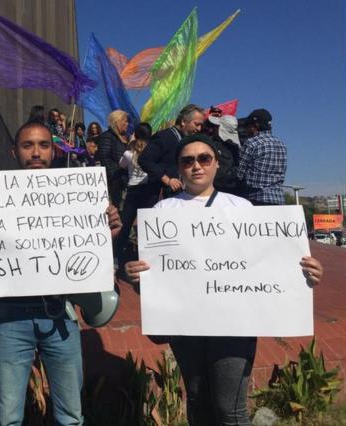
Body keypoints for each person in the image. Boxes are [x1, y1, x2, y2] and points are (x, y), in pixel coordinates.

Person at [124, 133, 324, 426]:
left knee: (229, 408)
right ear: (178, 167)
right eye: (187, 160)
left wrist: (306, 272)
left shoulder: (241, 209)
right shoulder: (162, 212)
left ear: (216, 164)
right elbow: (154, 276)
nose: (196, 166)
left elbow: (269, 263)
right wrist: (137, 276)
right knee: (197, 399)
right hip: (186, 324)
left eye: (204, 158)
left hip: (234, 324)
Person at [0, 121, 122, 426]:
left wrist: (109, 233)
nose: (36, 152)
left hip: (60, 314)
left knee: (71, 417)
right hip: (10, 316)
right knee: (8, 417)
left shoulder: (77, 196)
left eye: (43, 145)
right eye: (27, 145)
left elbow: (89, 253)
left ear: (53, 150)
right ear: (15, 151)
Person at [114, 122, 159, 274]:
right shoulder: (153, 152)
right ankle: (147, 259)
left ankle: (118, 259)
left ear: (136, 134)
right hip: (149, 190)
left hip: (133, 190)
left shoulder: (128, 153)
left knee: (125, 224)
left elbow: (121, 165)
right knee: (146, 226)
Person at [138, 104, 204, 202]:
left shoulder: (184, 140)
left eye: (201, 125)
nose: (199, 129)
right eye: (196, 124)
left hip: (178, 195)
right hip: (159, 196)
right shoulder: (164, 137)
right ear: (183, 122)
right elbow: (144, 159)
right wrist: (167, 179)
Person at [237, 108, 287, 205]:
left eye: (248, 127)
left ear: (255, 126)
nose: (246, 130)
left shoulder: (251, 143)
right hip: (279, 200)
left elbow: (239, 173)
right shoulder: (282, 144)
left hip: (256, 198)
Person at [95, 110, 129, 207]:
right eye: (125, 121)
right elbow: (105, 159)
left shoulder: (126, 137)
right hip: (115, 182)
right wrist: (117, 178)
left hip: (126, 180)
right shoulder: (107, 137)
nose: (127, 124)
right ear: (117, 122)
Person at [202, 112, 241, 195]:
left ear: (220, 128)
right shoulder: (238, 146)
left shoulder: (213, 144)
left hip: (217, 190)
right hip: (233, 190)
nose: (213, 128)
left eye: (216, 126)